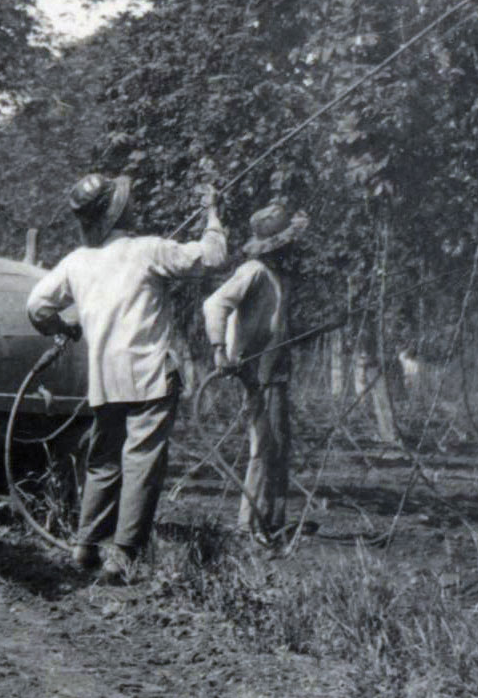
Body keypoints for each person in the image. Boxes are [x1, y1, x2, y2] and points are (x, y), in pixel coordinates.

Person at [26, 173, 228, 581]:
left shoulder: (77, 262)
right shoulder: (149, 250)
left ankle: (85, 547)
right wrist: (211, 213)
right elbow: (212, 257)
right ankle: (123, 555)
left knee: (103, 463)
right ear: (119, 210)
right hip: (151, 375)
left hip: (104, 380)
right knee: (141, 464)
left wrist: (63, 329)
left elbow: (36, 307)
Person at [203, 201, 308, 541]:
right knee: (263, 446)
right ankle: (249, 524)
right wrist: (221, 350)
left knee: (277, 445)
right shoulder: (254, 271)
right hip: (257, 371)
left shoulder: (276, 277)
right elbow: (215, 303)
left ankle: (270, 519)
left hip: (274, 371)